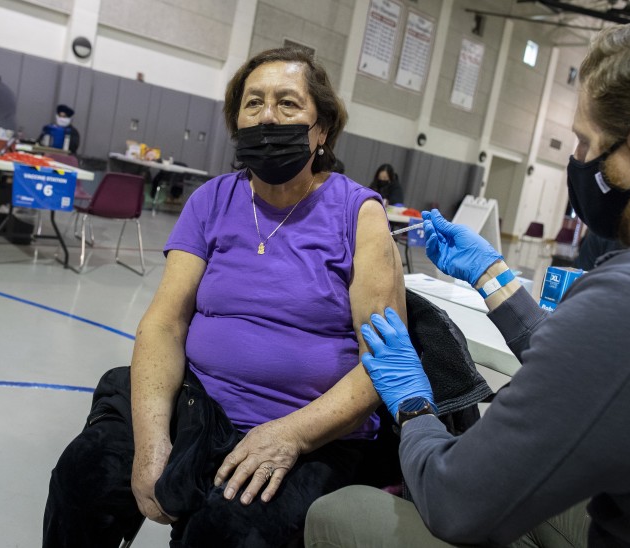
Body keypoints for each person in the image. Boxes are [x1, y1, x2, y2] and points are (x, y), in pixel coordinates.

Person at [306, 5, 630, 547]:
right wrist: (494, 276)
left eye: (583, 142)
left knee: (347, 512)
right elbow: (603, 371)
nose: (577, 158)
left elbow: (455, 500)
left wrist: (413, 402)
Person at [43, 47, 406, 547]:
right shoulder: (212, 200)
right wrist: (152, 443)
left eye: (288, 104)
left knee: (224, 533)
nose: (267, 117)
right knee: (84, 475)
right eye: (253, 103)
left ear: (321, 130)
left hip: (312, 434)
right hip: (200, 406)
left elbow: (386, 360)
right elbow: (164, 325)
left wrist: (290, 435)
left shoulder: (359, 214)